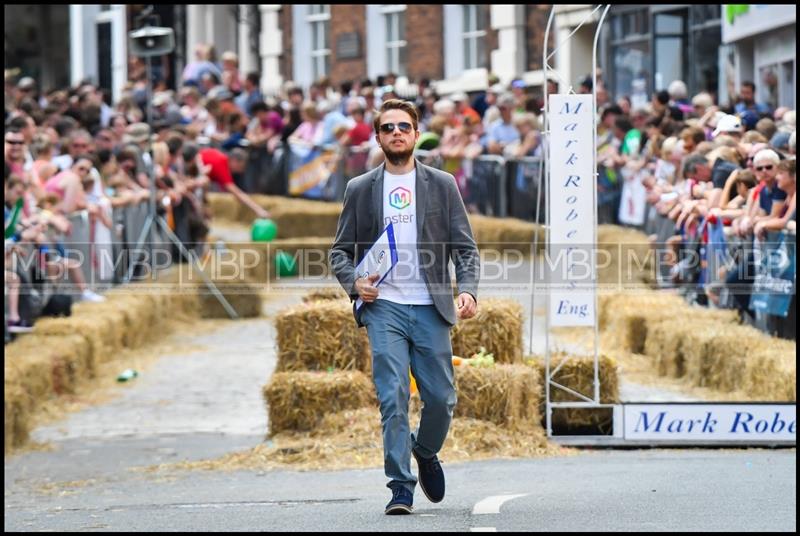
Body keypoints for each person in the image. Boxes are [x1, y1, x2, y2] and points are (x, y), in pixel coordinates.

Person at [329, 99, 480, 516]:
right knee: (392, 396)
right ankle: (400, 486)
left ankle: (425, 450)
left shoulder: (442, 184)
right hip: (385, 307)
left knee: (442, 398)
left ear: (415, 134)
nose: (396, 133)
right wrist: (355, 284)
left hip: (431, 305)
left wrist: (467, 289)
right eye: (388, 127)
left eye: (404, 127)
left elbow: (465, 249)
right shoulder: (359, 188)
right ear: (377, 137)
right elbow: (339, 252)